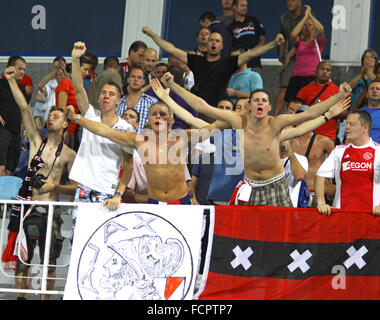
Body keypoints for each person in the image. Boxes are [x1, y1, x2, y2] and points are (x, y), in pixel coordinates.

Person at [161, 70, 352, 207]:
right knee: (246, 234)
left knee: (279, 236)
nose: (260, 103)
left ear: (269, 107)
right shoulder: (237, 121)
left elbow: (309, 114)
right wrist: (172, 86)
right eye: (256, 100)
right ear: (249, 106)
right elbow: (201, 107)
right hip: (250, 185)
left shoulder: (276, 124)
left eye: (264, 101)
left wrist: (338, 97)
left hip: (275, 185)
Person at [3, 66, 77, 300]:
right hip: (28, 207)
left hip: (51, 210)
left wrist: (55, 187)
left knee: (50, 261)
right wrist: (12, 81)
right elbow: (25, 107)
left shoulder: (68, 155)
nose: (51, 118)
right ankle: (20, 298)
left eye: (56, 116)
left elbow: (75, 187)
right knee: (23, 259)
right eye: (50, 115)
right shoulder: (36, 141)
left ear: (65, 124)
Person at [142, 24, 285, 120]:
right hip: (196, 112)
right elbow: (172, 49)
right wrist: (151, 34)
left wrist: (273, 43)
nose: (214, 43)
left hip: (218, 113)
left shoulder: (228, 62)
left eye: (217, 41)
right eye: (211, 40)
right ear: (207, 43)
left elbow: (252, 54)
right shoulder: (196, 60)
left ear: (222, 46)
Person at [69, 42, 134, 229]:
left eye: (111, 94)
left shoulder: (125, 128)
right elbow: (79, 87)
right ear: (98, 98)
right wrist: (75, 59)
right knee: (78, 241)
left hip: (108, 192)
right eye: (103, 93)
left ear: (118, 101)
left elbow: (128, 166)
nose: (106, 96)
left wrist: (119, 194)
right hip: (83, 190)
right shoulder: (90, 115)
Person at [316, 110, 380, 216]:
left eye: (352, 124)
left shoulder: (378, 151)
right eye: (346, 123)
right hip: (343, 217)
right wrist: (321, 202)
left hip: (371, 218)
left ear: (365, 128)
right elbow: (320, 175)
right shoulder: (339, 151)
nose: (346, 127)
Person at [297, 60, 346, 142]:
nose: (325, 72)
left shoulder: (337, 91)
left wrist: (324, 108)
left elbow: (345, 114)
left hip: (328, 136)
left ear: (331, 73)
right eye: (322, 69)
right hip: (306, 135)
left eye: (328, 70)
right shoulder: (305, 90)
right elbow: (296, 111)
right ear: (316, 71)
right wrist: (311, 109)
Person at [285, 5, 325, 102]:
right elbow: (293, 35)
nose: (307, 27)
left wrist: (310, 16)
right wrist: (304, 18)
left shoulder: (318, 41)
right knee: (292, 105)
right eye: (305, 25)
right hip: (297, 77)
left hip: (312, 77)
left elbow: (321, 29)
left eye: (310, 25)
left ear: (313, 28)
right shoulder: (299, 41)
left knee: (310, 105)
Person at [274, 0, 306, 116]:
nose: (289, 2)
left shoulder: (306, 15)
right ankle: (275, 118)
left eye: (292, 0)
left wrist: (287, 56)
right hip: (291, 58)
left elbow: (301, 41)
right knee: (283, 86)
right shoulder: (284, 18)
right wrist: (282, 55)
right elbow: (283, 38)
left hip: (306, 56)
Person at [55, 55, 91, 151]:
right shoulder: (65, 84)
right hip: (67, 131)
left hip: (75, 129)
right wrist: (64, 131)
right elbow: (61, 110)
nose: (87, 73)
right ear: (77, 69)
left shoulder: (78, 86)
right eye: (85, 69)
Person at [0, 57, 28, 177]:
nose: (22, 72)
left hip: (16, 133)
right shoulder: (0, 84)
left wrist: (23, 122)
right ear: (10, 68)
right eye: (20, 69)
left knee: (10, 168)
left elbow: (24, 108)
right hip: (2, 131)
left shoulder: (21, 89)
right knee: (1, 166)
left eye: (24, 69)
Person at [227, 0, 266, 74]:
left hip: (255, 65)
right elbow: (230, 49)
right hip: (239, 67)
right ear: (234, 7)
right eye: (242, 5)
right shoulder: (230, 28)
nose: (245, 8)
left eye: (246, 5)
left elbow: (263, 40)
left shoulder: (254, 20)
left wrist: (252, 52)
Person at [115, 67, 158, 132]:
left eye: (139, 77)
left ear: (143, 82)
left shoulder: (152, 102)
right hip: (121, 140)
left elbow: (159, 125)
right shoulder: (118, 103)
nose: (136, 79)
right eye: (133, 77)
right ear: (128, 80)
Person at [33, 57, 67, 129]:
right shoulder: (50, 85)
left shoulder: (69, 83)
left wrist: (65, 71)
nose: (60, 77)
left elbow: (75, 88)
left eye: (62, 74)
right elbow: (40, 86)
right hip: (51, 121)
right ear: (55, 76)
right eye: (58, 75)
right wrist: (55, 70)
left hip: (66, 120)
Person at [280, 140, 308, 207]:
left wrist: (290, 152)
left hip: (291, 208)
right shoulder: (268, 159)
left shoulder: (301, 159)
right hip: (270, 207)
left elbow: (299, 176)